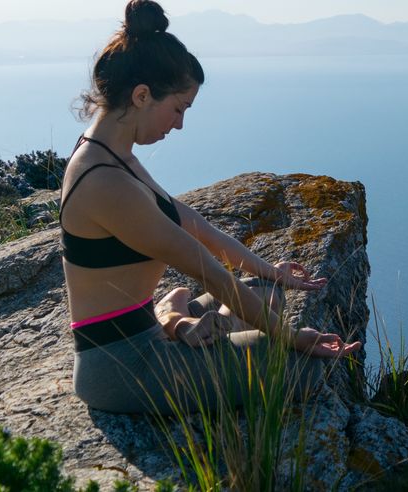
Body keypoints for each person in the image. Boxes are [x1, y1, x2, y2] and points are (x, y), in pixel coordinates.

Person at [63, 0, 360, 414]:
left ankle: (174, 317)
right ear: (143, 95)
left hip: (144, 335)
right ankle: (174, 317)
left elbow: (194, 225)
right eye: (178, 109)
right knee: (304, 369)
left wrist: (271, 271)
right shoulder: (105, 181)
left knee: (264, 290)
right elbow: (209, 270)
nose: (179, 124)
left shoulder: (114, 156)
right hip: (125, 369)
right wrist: (293, 338)